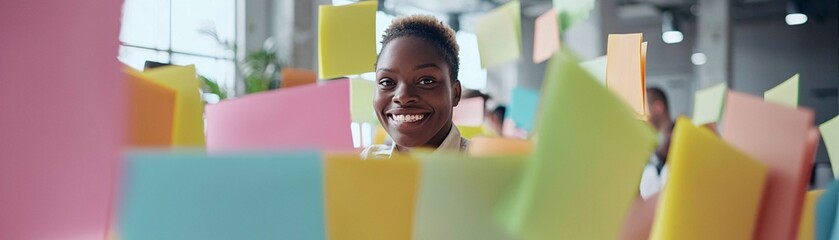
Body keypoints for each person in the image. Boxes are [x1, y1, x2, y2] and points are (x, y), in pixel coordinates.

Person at [361, 15, 468, 159]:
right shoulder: (368, 164)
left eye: (425, 81)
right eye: (387, 82)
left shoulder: (490, 169)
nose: (403, 97)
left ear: (455, 93)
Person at [639, 87, 674, 198]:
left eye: (644, 110)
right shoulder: (655, 147)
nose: (641, 117)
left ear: (658, 108)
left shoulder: (679, 140)